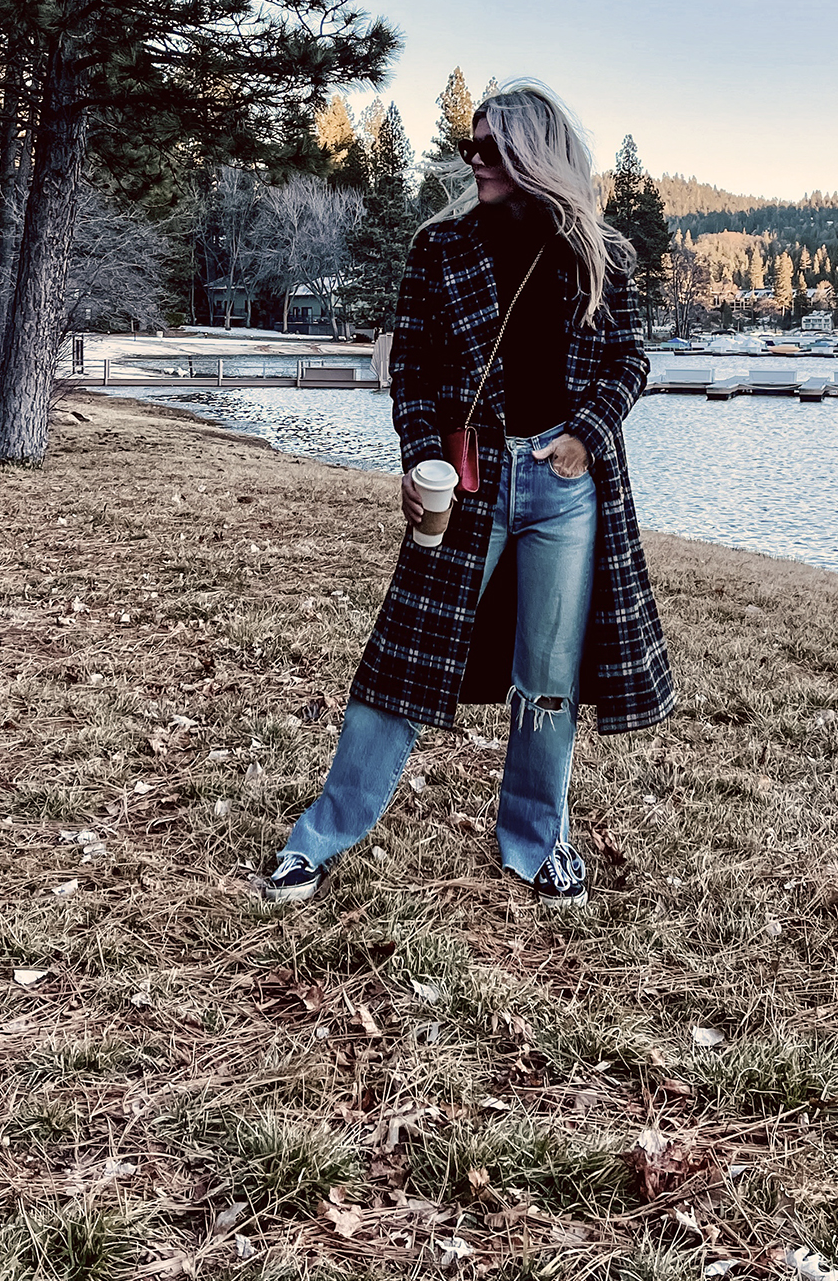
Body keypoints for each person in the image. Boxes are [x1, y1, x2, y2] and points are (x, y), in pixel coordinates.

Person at [266, 81, 675, 909]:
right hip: (469, 480)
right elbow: (412, 369)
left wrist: (579, 440)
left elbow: (631, 361)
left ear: (536, 153)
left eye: (492, 147)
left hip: (567, 485)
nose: (476, 160)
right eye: (471, 146)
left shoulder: (602, 253)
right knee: (402, 662)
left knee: (547, 677)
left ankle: (537, 841)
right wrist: (420, 460)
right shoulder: (441, 247)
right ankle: (317, 838)